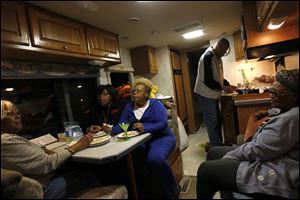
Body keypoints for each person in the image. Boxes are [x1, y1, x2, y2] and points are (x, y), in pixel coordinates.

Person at [196, 69, 299, 199]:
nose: (270, 95)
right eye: (271, 90)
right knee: (213, 152)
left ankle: (220, 180)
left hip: (279, 171)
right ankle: (223, 184)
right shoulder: (289, 109)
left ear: (294, 96)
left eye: (276, 93)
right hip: (273, 157)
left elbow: (258, 150)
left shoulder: (292, 119)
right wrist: (268, 112)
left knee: (205, 170)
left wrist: (231, 156)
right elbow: (279, 112)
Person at [1, 99, 101, 199]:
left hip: (44, 179)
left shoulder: (11, 138)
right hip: (42, 189)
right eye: (10, 114)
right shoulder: (5, 141)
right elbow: (47, 164)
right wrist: (80, 144)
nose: (18, 116)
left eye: (17, 113)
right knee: (86, 174)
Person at [111, 77, 178, 199]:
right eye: (133, 91)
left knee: (155, 159)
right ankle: (138, 193)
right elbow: (122, 125)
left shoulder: (156, 105)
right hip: (140, 141)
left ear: (146, 93)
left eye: (138, 91)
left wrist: (144, 127)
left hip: (161, 137)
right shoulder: (129, 107)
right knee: (126, 161)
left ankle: (172, 192)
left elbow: (162, 124)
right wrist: (109, 130)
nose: (134, 93)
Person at [194, 38, 236, 148]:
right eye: (224, 50)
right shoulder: (208, 57)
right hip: (205, 95)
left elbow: (218, 76)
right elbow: (207, 80)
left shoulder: (217, 57)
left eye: (226, 51)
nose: (224, 53)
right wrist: (224, 88)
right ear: (218, 45)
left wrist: (228, 84)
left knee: (218, 120)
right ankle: (217, 150)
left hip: (212, 95)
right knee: (212, 123)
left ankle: (218, 145)